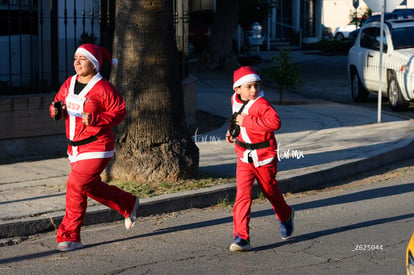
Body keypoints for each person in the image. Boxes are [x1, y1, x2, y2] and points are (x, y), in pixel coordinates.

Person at [50, 43, 139, 252]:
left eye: (82, 58)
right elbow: (59, 104)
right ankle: (128, 204)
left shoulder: (103, 87)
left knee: (75, 186)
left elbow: (120, 111)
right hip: (74, 149)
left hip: (98, 146)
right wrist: (56, 110)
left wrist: (97, 118)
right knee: (89, 187)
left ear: (94, 64)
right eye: (75, 58)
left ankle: (70, 236)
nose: (77, 62)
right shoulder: (69, 82)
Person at [225, 66, 294, 252]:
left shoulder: (262, 104)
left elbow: (275, 122)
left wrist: (246, 122)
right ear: (237, 89)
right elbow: (236, 119)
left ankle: (286, 215)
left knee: (270, 191)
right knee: (242, 196)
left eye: (256, 85)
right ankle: (241, 237)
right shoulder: (234, 100)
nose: (254, 90)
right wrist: (232, 132)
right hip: (244, 156)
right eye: (249, 87)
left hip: (264, 157)